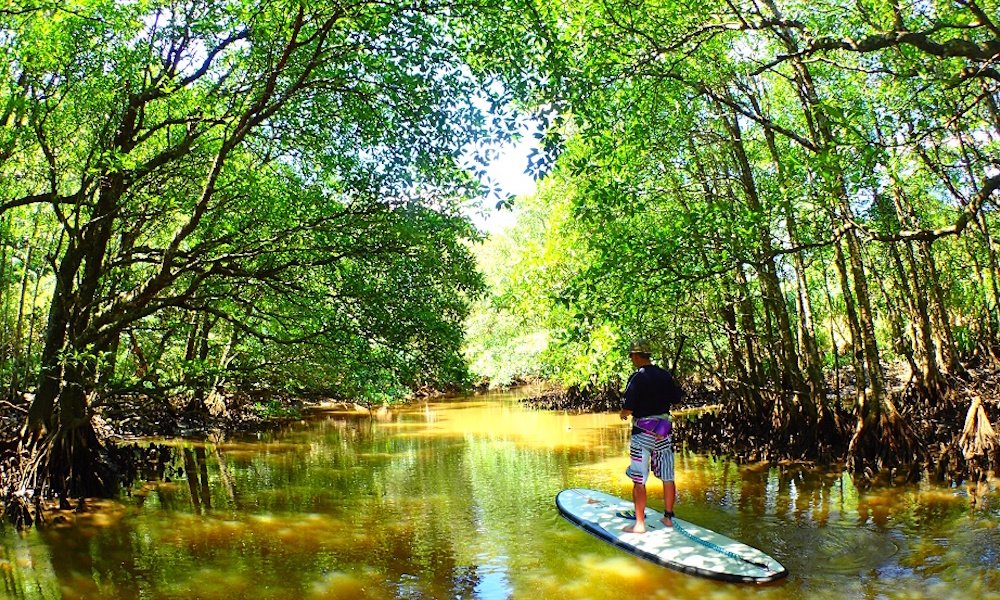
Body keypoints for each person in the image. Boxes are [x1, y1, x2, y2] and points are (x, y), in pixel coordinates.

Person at [618, 338, 683, 533]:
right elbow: (676, 399)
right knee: (668, 476)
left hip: (642, 434)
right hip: (663, 432)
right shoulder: (665, 375)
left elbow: (628, 407)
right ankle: (668, 518)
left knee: (639, 479)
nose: (632, 359)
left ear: (637, 356)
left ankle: (639, 525)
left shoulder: (637, 377)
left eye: (632, 356)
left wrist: (623, 414)